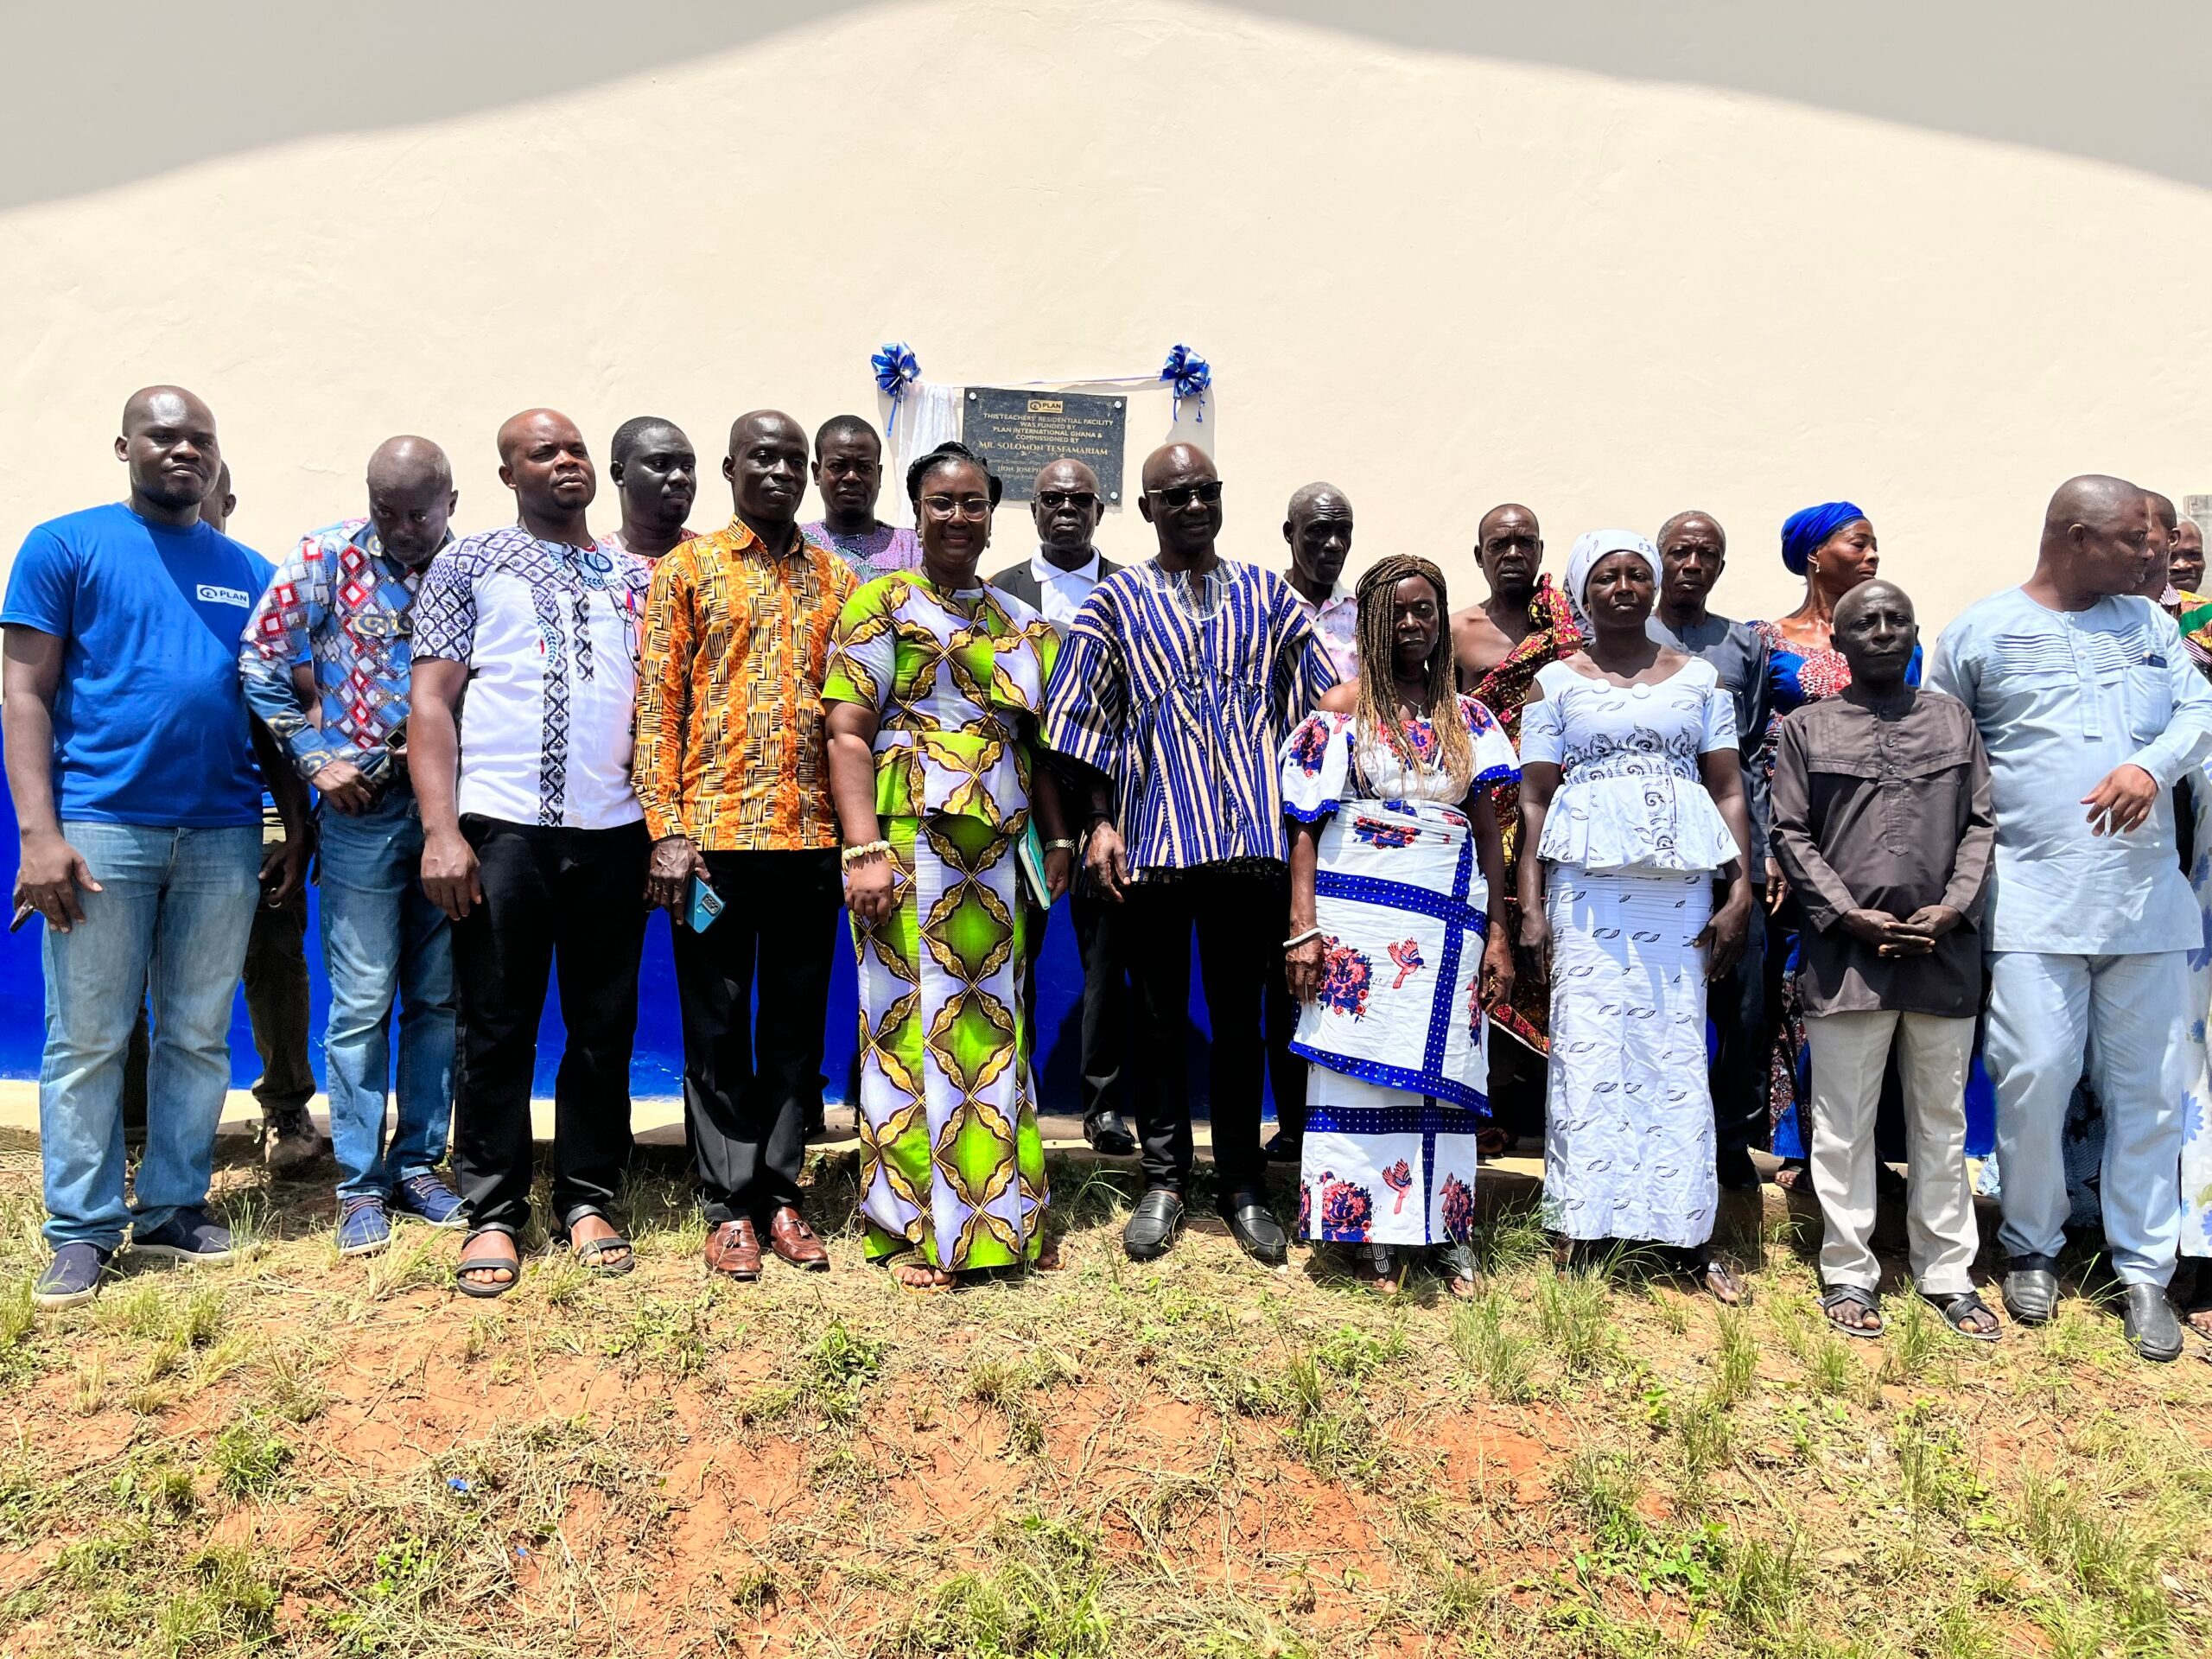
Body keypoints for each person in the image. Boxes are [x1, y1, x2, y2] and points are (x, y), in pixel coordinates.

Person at [4, 386, 308, 1308]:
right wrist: (38, 837)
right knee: (89, 1038)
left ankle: (174, 1209)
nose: (184, 451)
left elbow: (273, 713)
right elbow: (23, 693)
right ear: (124, 445)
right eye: (164, 436)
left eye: (201, 440)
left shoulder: (249, 569)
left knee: (195, 1034)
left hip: (221, 834)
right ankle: (82, 1230)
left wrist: (296, 825)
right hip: (100, 830)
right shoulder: (65, 545)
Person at [1929, 474, 2212, 1363]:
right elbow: (1942, 757)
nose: (2155, 554)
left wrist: (2150, 767)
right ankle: (2031, 1246)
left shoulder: (2152, 628)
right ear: (2077, 536)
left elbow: (2202, 714)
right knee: (2033, 1080)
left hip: (2146, 910)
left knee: (2146, 1098)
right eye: (2136, 540)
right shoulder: (1979, 632)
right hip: (2031, 906)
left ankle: (2143, 1271)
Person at [1042, 441, 1338, 1263]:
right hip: (1152, 847)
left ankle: (1242, 1183)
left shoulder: (1267, 597)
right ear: (1146, 510)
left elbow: (1322, 703)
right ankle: (1166, 1178)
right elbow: (1079, 720)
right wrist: (1098, 821)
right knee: (1160, 1018)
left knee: (1240, 1022)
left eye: (1205, 491)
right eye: (1174, 496)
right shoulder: (1117, 601)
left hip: (1249, 843)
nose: (1193, 506)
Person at [408, 408, 653, 1298]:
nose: (565, 462)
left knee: (602, 1029)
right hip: (503, 830)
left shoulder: (634, 575)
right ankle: (494, 1212)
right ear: (508, 475)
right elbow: (431, 704)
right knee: (497, 1028)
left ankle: (588, 1196)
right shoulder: (466, 563)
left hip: (614, 832)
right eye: (540, 453)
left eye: (575, 448)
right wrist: (443, 831)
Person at [825, 440, 1072, 1287]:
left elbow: (1034, 749)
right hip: (904, 852)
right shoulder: (880, 604)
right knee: (903, 1032)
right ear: (917, 511)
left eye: (973, 503)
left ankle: (995, 1220)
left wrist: (1061, 841)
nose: (958, 518)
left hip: (995, 864)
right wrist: (861, 849)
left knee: (989, 1036)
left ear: (990, 513)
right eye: (942, 503)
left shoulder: (1018, 622)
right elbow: (848, 733)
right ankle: (906, 1228)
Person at [632, 410, 854, 1281]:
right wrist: (669, 831)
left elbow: (850, 719)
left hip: (809, 841)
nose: (778, 471)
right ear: (730, 467)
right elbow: (658, 708)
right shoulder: (687, 570)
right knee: (717, 1028)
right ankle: (727, 1205)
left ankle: (781, 1192)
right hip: (714, 845)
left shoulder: (835, 581)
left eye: (791, 459)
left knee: (795, 1032)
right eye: (761, 456)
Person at [239, 436, 465, 1256]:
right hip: (363, 811)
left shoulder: (473, 566)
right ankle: (360, 1182)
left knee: (439, 998)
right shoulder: (326, 556)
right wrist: (315, 757)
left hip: (454, 814)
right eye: (387, 511)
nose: (403, 528)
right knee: (364, 999)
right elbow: (259, 659)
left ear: (453, 501)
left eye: (420, 511)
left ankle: (419, 1166)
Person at [1516, 530, 1754, 1302]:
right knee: (1588, 1048)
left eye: (1636, 576)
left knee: (1671, 1047)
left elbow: (1727, 788)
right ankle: (1584, 1224)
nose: (1623, 588)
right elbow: (1534, 798)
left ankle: (1684, 1231)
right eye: (1607, 578)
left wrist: (1740, 887)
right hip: (1583, 890)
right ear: (1583, 594)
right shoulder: (1552, 683)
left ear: (1653, 590)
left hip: (1676, 888)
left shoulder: (1701, 680)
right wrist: (1530, 905)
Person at [1281, 555, 1520, 1294]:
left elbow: (1488, 834)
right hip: (1360, 932)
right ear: (1371, 620)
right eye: (1398, 611)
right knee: (1359, 1079)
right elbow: (1305, 828)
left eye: (1426, 610)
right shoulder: (1343, 708)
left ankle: (1446, 1233)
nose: (1413, 624)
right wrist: (1303, 928)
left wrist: (1501, 933)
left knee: (1445, 1080)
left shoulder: (1468, 716)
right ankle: (1371, 1236)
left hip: (1451, 930)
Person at [1770, 580, 1999, 1341]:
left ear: (1914, 632)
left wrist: (1954, 908)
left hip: (1943, 951)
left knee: (1941, 1118)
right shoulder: (1807, 729)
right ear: (1837, 643)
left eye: (1896, 619)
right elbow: (1790, 835)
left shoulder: (1952, 720)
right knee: (1844, 1124)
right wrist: (1848, 917)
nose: (1881, 630)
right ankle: (1848, 1270)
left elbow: (1979, 825)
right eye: (1863, 622)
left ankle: (1947, 1272)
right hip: (1847, 959)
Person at [121, 463, 322, 1172]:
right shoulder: (118, 558)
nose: (186, 491)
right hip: (129, 813)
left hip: (252, 811)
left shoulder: (261, 581)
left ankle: (287, 1107)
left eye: (205, 483)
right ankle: (135, 1126)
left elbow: (290, 712)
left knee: (273, 957)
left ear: (227, 499)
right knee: (129, 973)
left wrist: (300, 826)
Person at [1751, 503, 1910, 1185]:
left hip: (1871, 829)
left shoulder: (1894, 635)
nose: (1873, 555)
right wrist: (1766, 844)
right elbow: (1753, 739)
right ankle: (1796, 1141)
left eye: (1876, 545)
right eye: (1859, 543)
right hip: (1790, 825)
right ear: (1816, 554)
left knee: (1869, 982)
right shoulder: (1766, 640)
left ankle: (1865, 1143)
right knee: (1794, 982)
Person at [988, 457, 1135, 1155]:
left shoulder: (1131, 590)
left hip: (1114, 799)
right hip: (1021, 797)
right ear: (1033, 508)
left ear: (1100, 510)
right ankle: (1013, 1091)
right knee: (1017, 950)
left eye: (1080, 499)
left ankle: (1105, 1104)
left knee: (1107, 956)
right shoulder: (1000, 591)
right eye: (1052, 499)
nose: (1067, 509)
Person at [1649, 511, 1771, 1192]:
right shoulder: (1628, 638)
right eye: (1680, 552)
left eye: (1706, 554)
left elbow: (1746, 756)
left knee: (1745, 1006)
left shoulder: (1742, 645)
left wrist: (1759, 860)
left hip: (1730, 848)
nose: (1692, 564)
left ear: (1721, 566)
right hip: (1655, 853)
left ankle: (1731, 1141)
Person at [1451, 503, 1579, 1146]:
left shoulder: (1568, 630)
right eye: (1498, 543)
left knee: (1549, 956)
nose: (1512, 553)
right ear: (1479, 555)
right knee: (1482, 958)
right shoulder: (1456, 631)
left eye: (1525, 541)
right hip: (1480, 818)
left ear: (1540, 548)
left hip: (1552, 817)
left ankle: (1557, 1115)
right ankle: (1483, 1112)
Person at [1264, 482, 1357, 1165]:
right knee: (1285, 976)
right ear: (1288, 532)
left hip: (1354, 827)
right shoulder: (1260, 607)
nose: (1329, 545)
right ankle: (1294, 1123)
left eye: (1341, 533)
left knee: (1346, 972)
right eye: (1316, 532)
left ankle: (1340, 1121)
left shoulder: (1367, 615)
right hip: (1275, 819)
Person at [800, 415, 921, 582]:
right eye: (837, 466)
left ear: (878, 475)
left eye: (864, 467)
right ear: (816, 473)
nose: (851, 477)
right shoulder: (794, 543)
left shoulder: (912, 548)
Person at [603, 416, 698, 563]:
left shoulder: (721, 562)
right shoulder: (592, 567)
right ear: (619, 474)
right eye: (660, 464)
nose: (680, 477)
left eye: (687, 467)